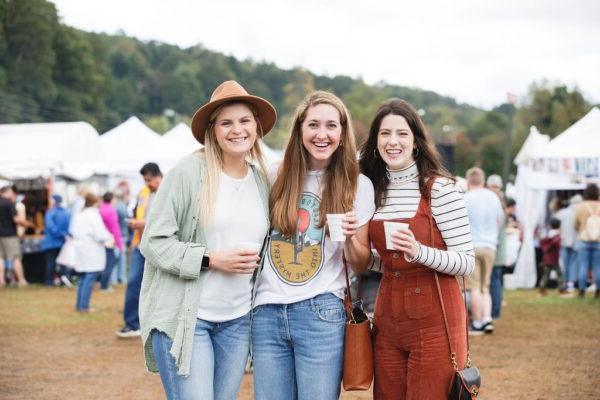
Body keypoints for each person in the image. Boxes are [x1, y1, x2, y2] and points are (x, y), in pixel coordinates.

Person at [139, 80, 274, 400]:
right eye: (226, 122)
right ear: (213, 130)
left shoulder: (260, 180)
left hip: (238, 322)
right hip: (189, 320)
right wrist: (211, 259)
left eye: (244, 121)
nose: (236, 130)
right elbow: (154, 241)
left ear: (256, 126)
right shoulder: (188, 173)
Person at [252, 91, 374, 400]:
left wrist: (346, 239)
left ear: (343, 134)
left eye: (331, 126)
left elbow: (360, 263)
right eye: (313, 125)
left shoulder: (358, 183)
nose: (322, 134)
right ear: (300, 131)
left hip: (322, 311)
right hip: (267, 311)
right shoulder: (274, 175)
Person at [359, 99, 474, 399]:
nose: (392, 141)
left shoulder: (440, 189)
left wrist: (419, 251)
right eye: (384, 134)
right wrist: (352, 248)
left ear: (416, 142)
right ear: (375, 142)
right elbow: (386, 264)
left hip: (436, 320)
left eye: (402, 134)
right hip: (386, 320)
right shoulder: (373, 191)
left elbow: (466, 262)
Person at [115, 163, 162, 337]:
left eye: (149, 179)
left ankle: (157, 324)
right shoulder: (143, 192)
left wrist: (143, 224)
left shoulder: (168, 190)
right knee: (134, 282)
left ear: (158, 176)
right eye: (145, 180)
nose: (147, 183)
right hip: (140, 244)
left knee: (159, 287)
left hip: (160, 247)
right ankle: (132, 324)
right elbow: (140, 215)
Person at [464, 167, 503, 334]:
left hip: (471, 245)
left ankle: (478, 321)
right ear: (483, 180)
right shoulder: (493, 197)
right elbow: (499, 220)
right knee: (484, 287)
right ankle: (487, 319)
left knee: (473, 287)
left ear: (468, 181)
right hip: (490, 246)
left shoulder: (466, 198)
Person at [71, 193, 113, 312]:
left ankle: (79, 305)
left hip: (81, 249)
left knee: (83, 278)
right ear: (96, 202)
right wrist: (109, 237)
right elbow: (100, 235)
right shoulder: (94, 215)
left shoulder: (80, 214)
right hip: (92, 250)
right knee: (89, 279)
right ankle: (84, 306)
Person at [0, 186, 33, 287]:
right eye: (11, 192)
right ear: (6, 192)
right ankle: (22, 280)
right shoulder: (9, 204)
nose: (13, 194)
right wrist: (29, 224)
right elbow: (16, 220)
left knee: (0, 258)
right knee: (15, 257)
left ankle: (1, 281)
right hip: (10, 234)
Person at [486, 174, 507, 319]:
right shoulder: (500, 203)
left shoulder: (495, 203)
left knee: (493, 281)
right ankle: (494, 310)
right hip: (495, 247)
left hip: (494, 247)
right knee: (495, 280)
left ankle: (494, 311)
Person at [574, 183, 600, 299]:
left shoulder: (581, 207)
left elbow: (575, 224)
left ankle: (582, 290)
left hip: (583, 240)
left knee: (583, 266)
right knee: (597, 267)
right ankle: (598, 290)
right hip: (598, 241)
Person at [40, 194, 71, 287]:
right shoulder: (67, 212)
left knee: (51, 263)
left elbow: (50, 227)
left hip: (51, 242)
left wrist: (59, 234)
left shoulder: (50, 213)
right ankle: (63, 282)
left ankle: (49, 282)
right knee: (63, 263)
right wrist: (64, 235)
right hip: (63, 242)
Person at [553, 194, 582, 293]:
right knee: (573, 262)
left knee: (564, 263)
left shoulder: (562, 213)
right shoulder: (579, 212)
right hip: (576, 241)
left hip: (563, 241)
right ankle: (570, 282)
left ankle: (564, 282)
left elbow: (554, 222)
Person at [99, 192, 122, 292]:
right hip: (110, 240)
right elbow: (115, 228)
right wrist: (119, 243)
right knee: (110, 263)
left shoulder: (100, 209)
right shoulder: (111, 210)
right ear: (111, 199)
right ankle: (104, 286)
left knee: (106, 263)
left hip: (102, 239)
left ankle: (103, 284)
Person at [111, 181, 130, 284]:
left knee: (116, 258)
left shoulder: (115, 207)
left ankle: (114, 279)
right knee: (121, 258)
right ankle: (121, 277)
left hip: (118, 235)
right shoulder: (122, 206)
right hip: (122, 235)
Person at [538, 218, 563, 296]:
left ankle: (542, 289)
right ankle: (561, 289)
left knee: (546, 275)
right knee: (559, 274)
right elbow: (555, 244)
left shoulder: (547, 234)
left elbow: (542, 243)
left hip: (546, 258)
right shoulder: (557, 236)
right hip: (554, 258)